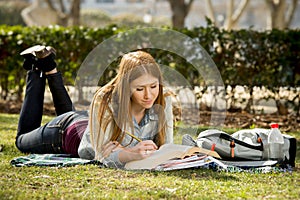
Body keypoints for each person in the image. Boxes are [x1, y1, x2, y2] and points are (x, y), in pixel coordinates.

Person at [16, 45, 174, 169]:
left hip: (88, 122)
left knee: (68, 113)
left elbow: (166, 146)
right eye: (139, 89)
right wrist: (129, 153)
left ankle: (48, 64)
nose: (149, 95)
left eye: (154, 86)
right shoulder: (105, 101)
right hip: (65, 133)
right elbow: (97, 154)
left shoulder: (163, 99)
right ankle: (35, 68)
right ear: (126, 87)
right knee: (21, 140)